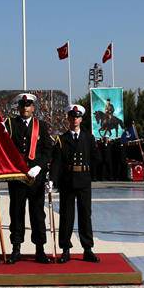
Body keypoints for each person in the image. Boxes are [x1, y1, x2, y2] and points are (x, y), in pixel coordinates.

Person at [6, 93, 54, 264]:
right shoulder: (10, 124)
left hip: (36, 178)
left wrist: (39, 166)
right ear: (18, 107)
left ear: (33, 108)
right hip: (17, 177)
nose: (25, 108)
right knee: (16, 213)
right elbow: (4, 147)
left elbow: (48, 150)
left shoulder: (41, 125)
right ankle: (16, 248)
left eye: (28, 105)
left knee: (37, 214)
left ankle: (40, 249)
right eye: (22, 105)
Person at [51, 104, 101, 262]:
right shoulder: (62, 139)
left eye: (77, 117)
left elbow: (96, 158)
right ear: (68, 118)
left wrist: (92, 173)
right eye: (72, 117)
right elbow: (56, 162)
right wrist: (52, 180)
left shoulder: (88, 137)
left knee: (85, 214)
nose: (75, 120)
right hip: (68, 180)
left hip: (84, 179)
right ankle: (65, 249)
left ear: (81, 119)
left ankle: (88, 248)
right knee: (66, 215)